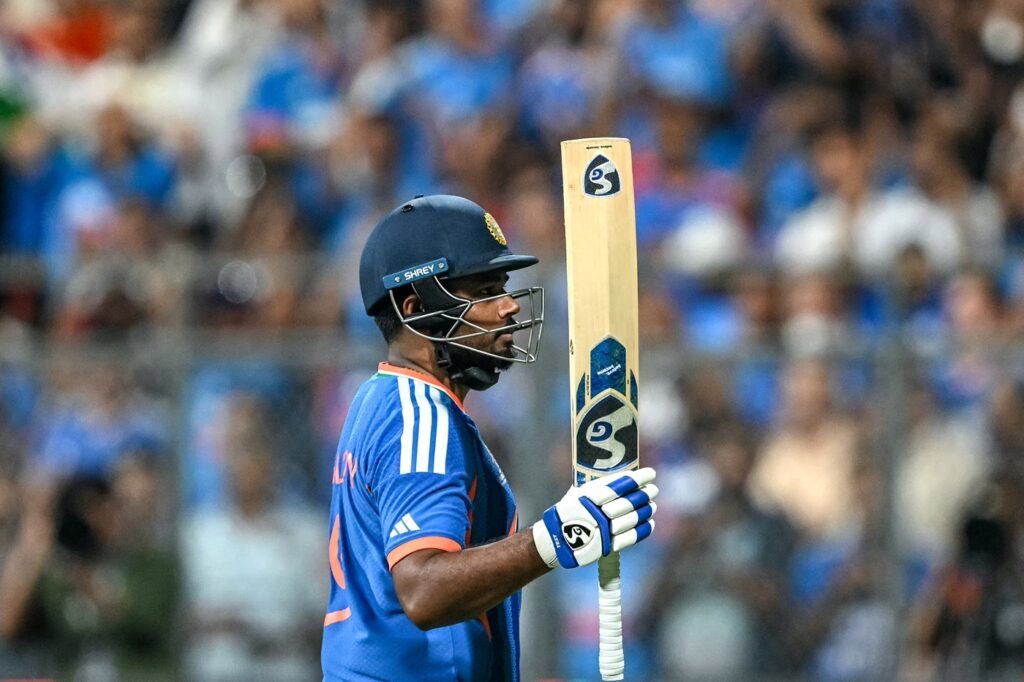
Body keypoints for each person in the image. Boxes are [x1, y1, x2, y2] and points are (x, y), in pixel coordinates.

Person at [321, 194, 660, 681]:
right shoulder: (421, 416)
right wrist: (555, 538)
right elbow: (422, 590)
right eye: (484, 291)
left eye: (502, 287)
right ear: (415, 309)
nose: (509, 306)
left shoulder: (381, 399)